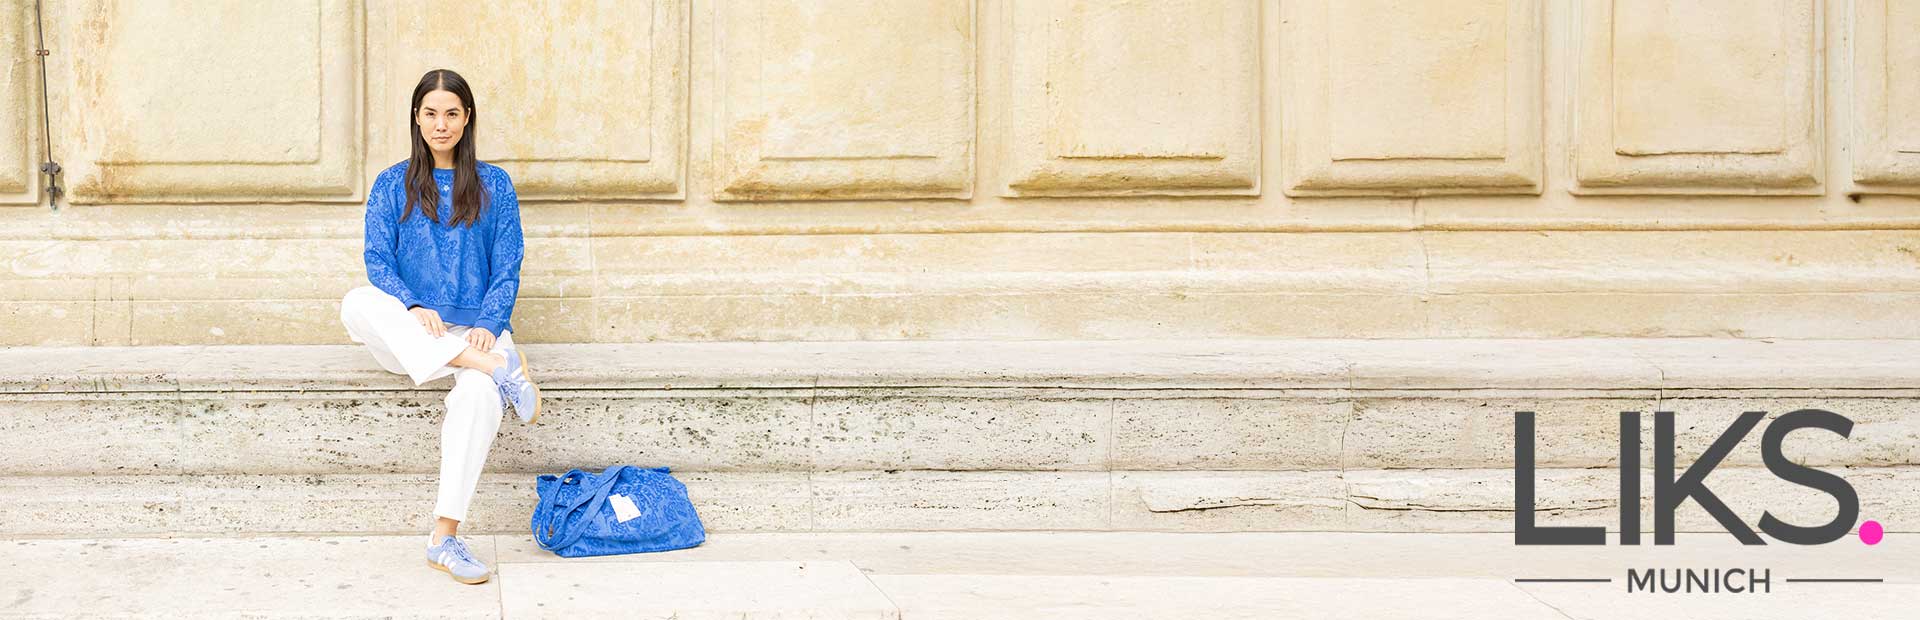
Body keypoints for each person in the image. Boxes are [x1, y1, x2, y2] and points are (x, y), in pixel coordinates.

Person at [337, 68, 540, 585]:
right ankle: (497, 370)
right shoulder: (391, 183)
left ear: (467, 118)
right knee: (358, 302)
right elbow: (377, 260)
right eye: (431, 113)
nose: (441, 124)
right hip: (416, 334)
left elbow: (508, 262)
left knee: (477, 398)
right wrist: (410, 304)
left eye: (451, 113)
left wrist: (491, 325)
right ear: (416, 117)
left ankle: (443, 538)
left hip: (479, 332)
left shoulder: (494, 183)